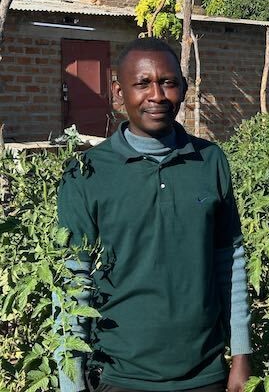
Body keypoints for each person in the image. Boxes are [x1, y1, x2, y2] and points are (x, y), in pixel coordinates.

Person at [56, 38, 252, 392]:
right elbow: (72, 279)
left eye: (168, 82)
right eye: (142, 83)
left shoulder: (209, 161)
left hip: (204, 372)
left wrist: (241, 356)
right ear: (118, 93)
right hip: (119, 373)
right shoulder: (86, 172)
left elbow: (230, 261)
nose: (157, 95)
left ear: (183, 89)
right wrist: (71, 381)